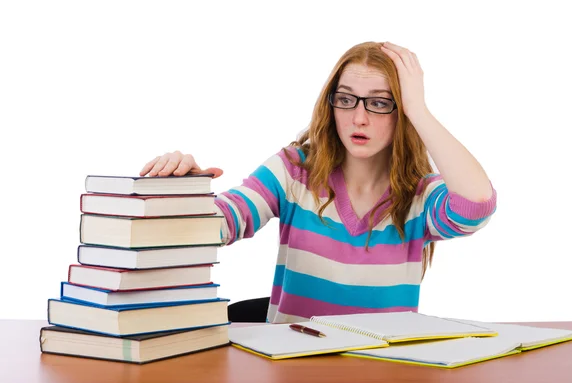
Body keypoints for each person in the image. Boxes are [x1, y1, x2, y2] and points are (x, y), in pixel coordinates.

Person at [140, 41, 497, 324]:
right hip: (295, 369)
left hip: (382, 371)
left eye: (379, 103)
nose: (359, 117)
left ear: (401, 111)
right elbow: (220, 224)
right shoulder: (295, 171)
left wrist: (418, 109)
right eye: (346, 100)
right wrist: (180, 193)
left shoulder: (418, 194)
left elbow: (476, 206)